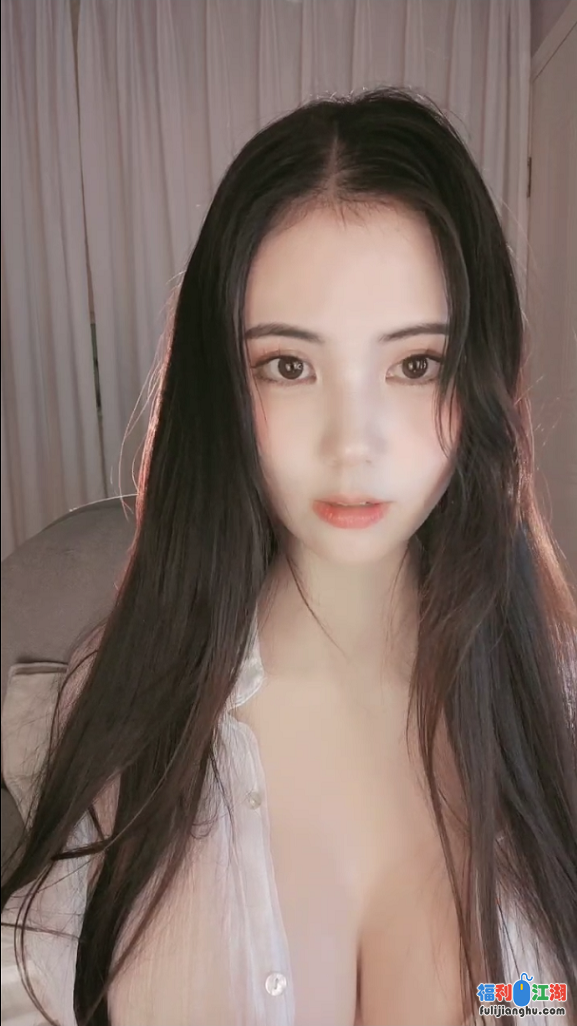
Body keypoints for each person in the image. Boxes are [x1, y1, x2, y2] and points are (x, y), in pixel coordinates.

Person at [1, 86, 576, 1026]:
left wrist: (522, 1003)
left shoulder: (554, 705)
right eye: (289, 366)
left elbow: (535, 1000)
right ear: (224, 387)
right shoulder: (127, 708)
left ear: (475, 377)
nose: (353, 444)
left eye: (415, 364)